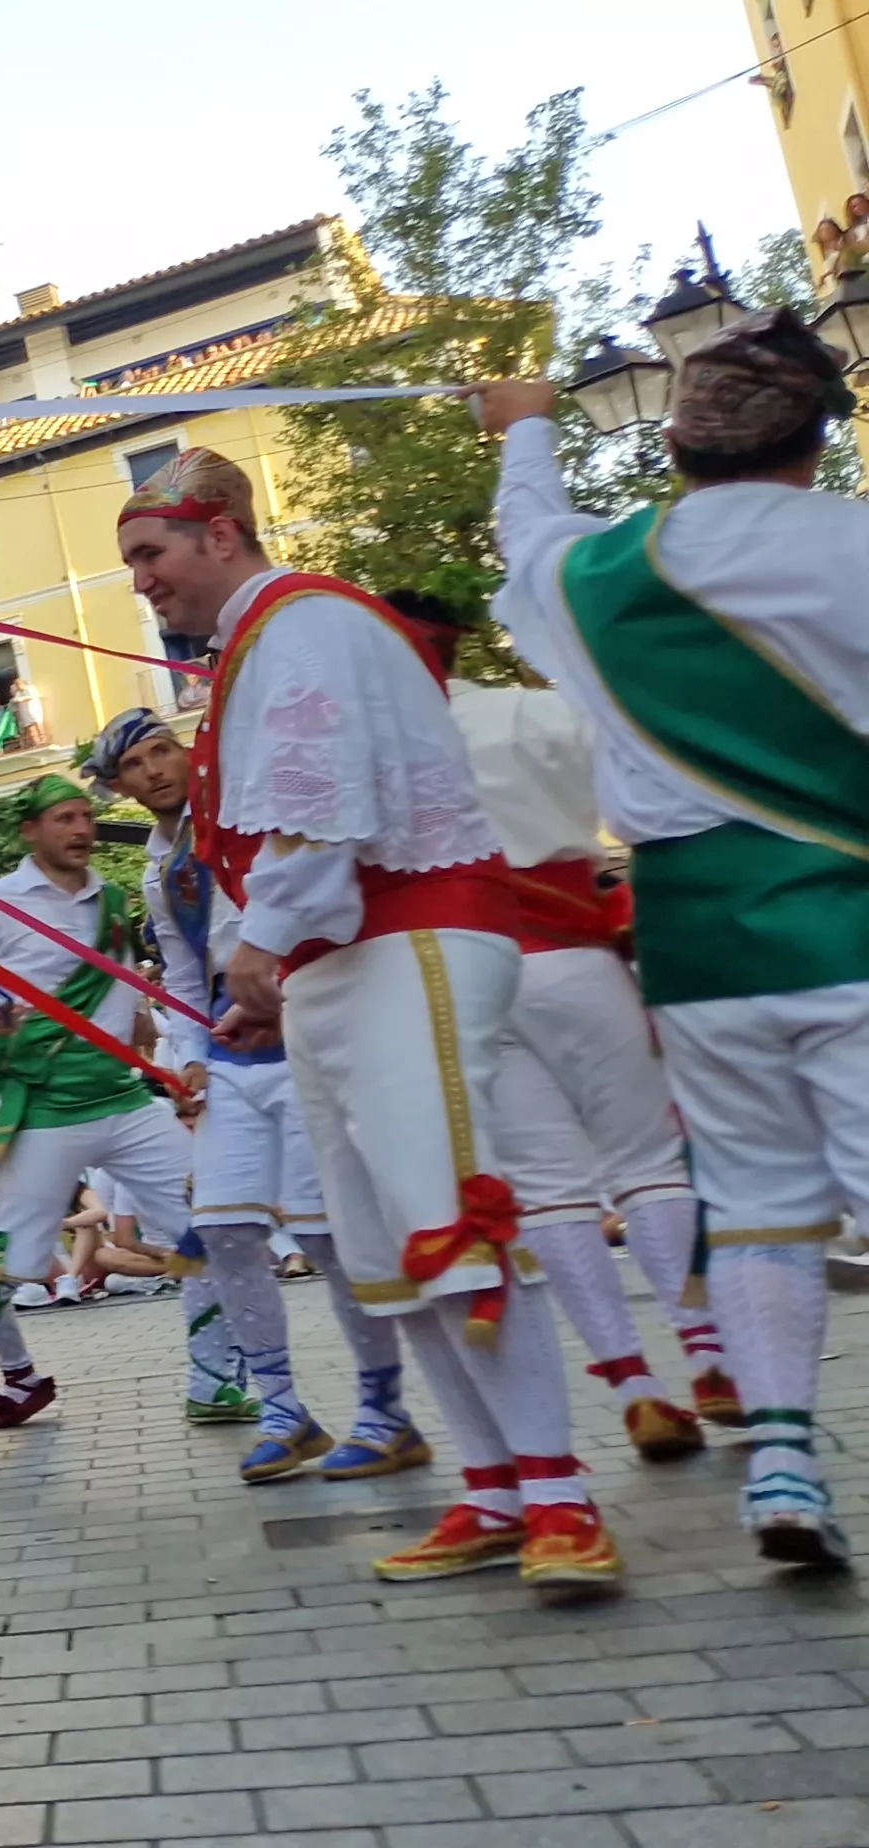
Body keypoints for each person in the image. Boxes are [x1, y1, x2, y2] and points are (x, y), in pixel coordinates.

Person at [130, 444, 612, 1592]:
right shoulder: (268, 638)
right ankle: (494, 1487)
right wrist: (273, 975)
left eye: (151, 554)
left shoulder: (298, 624)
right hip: (349, 961)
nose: (142, 582)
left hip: (409, 943)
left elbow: (314, 812)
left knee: (452, 1217)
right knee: (390, 1244)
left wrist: (260, 945)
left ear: (220, 533)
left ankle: (559, 1498)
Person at [481, 329, 869, 1566]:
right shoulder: (853, 544)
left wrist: (523, 427)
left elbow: (526, 531)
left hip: (696, 947)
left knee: (753, 1207)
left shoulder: (594, 573)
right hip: (843, 909)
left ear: (673, 440)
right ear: (820, 435)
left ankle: (782, 1468)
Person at [388, 595, 715, 1464]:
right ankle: (711, 1357)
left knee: (550, 1193)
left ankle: (634, 1386)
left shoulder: (375, 757)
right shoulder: (528, 713)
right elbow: (634, 801)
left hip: (468, 981)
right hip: (575, 958)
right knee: (647, 1162)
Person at [89, 708, 430, 1483]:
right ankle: (282, 1407)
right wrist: (189, 1057)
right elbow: (179, 974)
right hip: (230, 1049)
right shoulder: (155, 867)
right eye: (137, 766)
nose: (157, 772)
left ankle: (386, 1412)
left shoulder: (246, 814)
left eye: (163, 752)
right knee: (222, 1231)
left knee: (322, 1234)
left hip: (304, 1025)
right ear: (120, 787)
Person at [0, 778, 193, 1460]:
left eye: (87, 816)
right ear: (30, 830)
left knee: (206, 1228)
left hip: (124, 1097)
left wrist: (171, 1056)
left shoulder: (116, 901)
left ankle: (215, 1382)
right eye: (64, 818)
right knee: (4, 1261)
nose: (81, 828)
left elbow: (132, 992)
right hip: (40, 1105)